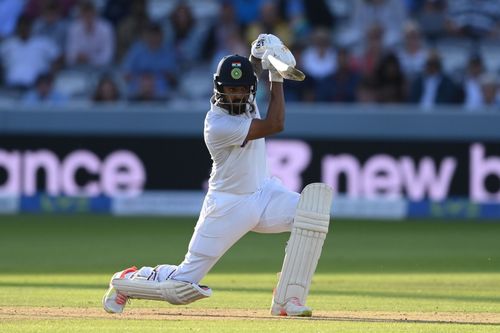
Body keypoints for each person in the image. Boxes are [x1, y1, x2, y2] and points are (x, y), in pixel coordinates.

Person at [102, 34, 333, 317]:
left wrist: (259, 52)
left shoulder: (247, 99)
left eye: (241, 89)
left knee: (312, 215)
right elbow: (276, 123)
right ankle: (127, 281)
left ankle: (288, 298)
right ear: (218, 89)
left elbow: (250, 70)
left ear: (249, 89)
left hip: (264, 193)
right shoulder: (218, 124)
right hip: (227, 205)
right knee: (182, 285)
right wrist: (278, 75)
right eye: (230, 90)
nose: (236, 95)